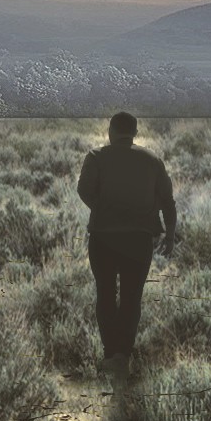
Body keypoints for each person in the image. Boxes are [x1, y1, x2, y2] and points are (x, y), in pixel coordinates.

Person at [76, 111, 177, 382]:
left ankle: (110, 355)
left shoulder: (96, 157)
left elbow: (84, 190)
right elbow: (168, 200)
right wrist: (169, 234)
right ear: (134, 132)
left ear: (111, 130)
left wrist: (101, 208)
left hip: (103, 237)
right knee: (132, 297)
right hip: (139, 239)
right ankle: (124, 356)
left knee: (106, 293)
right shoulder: (152, 160)